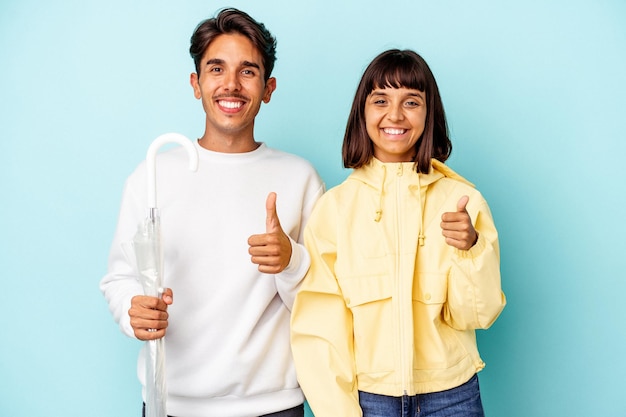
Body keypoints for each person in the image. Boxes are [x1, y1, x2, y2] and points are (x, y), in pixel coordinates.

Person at [100, 8, 324, 417]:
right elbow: (119, 275)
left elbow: (322, 298)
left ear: (269, 87)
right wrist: (133, 304)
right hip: (170, 402)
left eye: (248, 71)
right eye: (216, 68)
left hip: (274, 405)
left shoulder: (300, 178)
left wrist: (292, 261)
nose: (231, 85)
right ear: (196, 83)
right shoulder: (152, 174)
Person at [290, 49, 506, 417]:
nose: (395, 114)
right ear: (363, 112)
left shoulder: (461, 200)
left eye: (411, 101)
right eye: (380, 100)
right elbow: (320, 328)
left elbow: (476, 316)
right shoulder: (335, 209)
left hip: (452, 396)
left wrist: (471, 248)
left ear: (429, 113)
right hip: (369, 399)